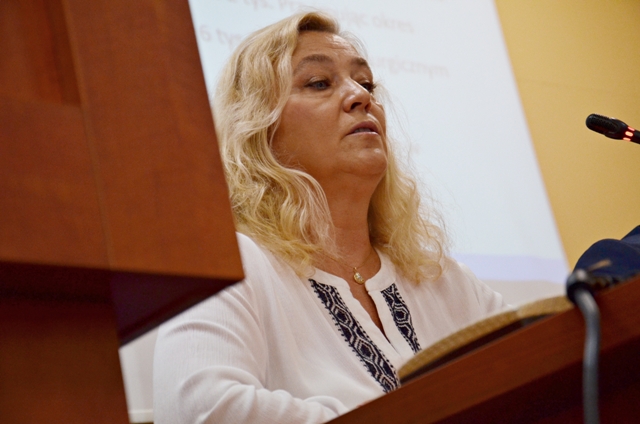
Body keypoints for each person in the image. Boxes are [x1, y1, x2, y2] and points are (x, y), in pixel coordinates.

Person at [153, 11, 505, 424]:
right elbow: (200, 410)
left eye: (367, 83)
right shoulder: (230, 264)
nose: (360, 96)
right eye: (319, 83)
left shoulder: (445, 280)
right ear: (258, 128)